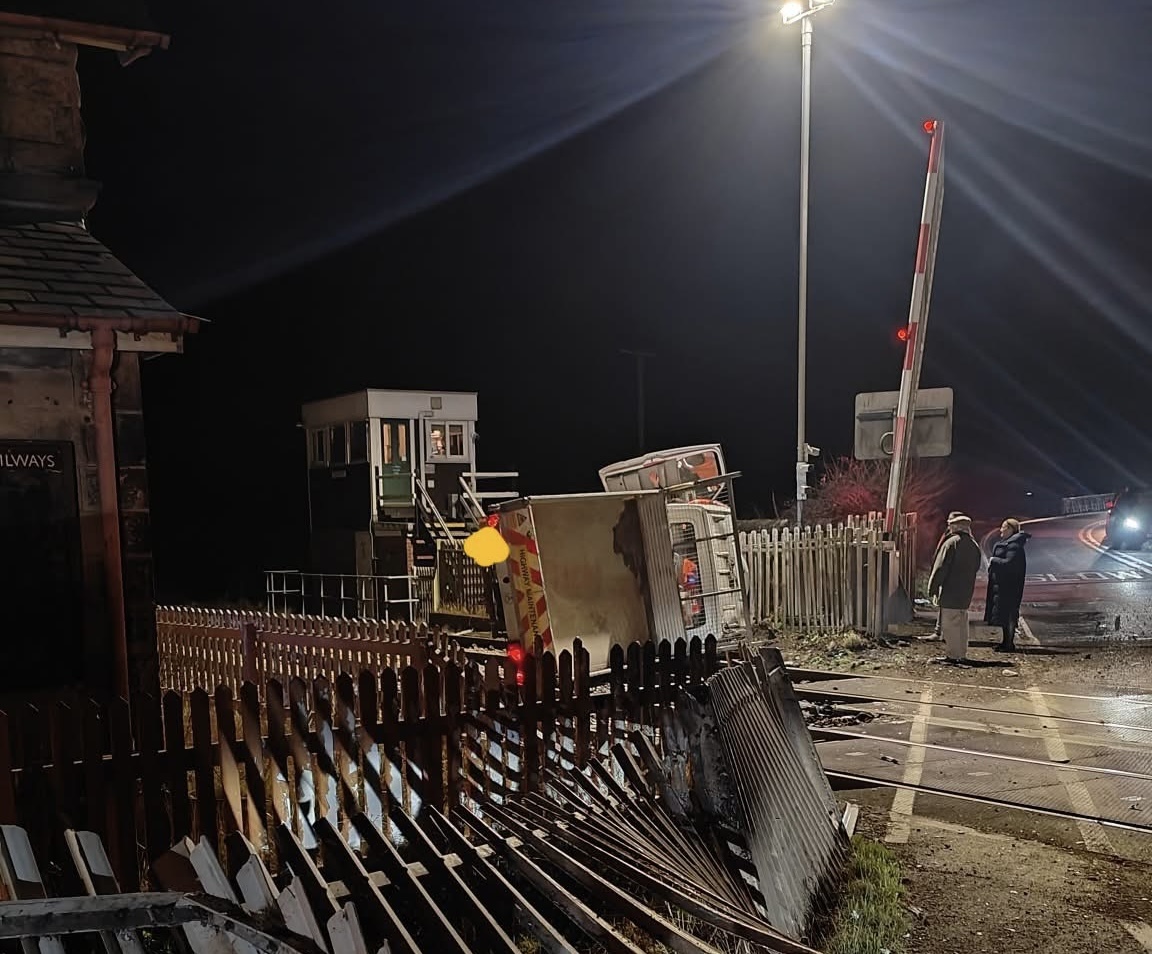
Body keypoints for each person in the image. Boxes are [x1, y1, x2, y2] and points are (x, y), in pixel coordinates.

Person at [927, 512, 983, 664]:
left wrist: (932, 588)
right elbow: (977, 566)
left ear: (955, 527)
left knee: (950, 625)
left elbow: (940, 568)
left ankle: (952, 656)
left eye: (951, 525)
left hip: (951, 591)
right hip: (966, 591)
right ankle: (961, 654)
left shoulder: (951, 543)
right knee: (962, 624)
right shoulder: (973, 545)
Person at [985, 517, 1031, 652]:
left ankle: (1009, 644)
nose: (1001, 530)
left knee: (1009, 614)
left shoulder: (1014, 546)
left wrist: (994, 560)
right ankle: (1005, 642)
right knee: (1004, 614)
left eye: (1004, 527)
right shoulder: (1009, 543)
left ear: (1011, 529)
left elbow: (1010, 563)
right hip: (1003, 585)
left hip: (1009, 586)